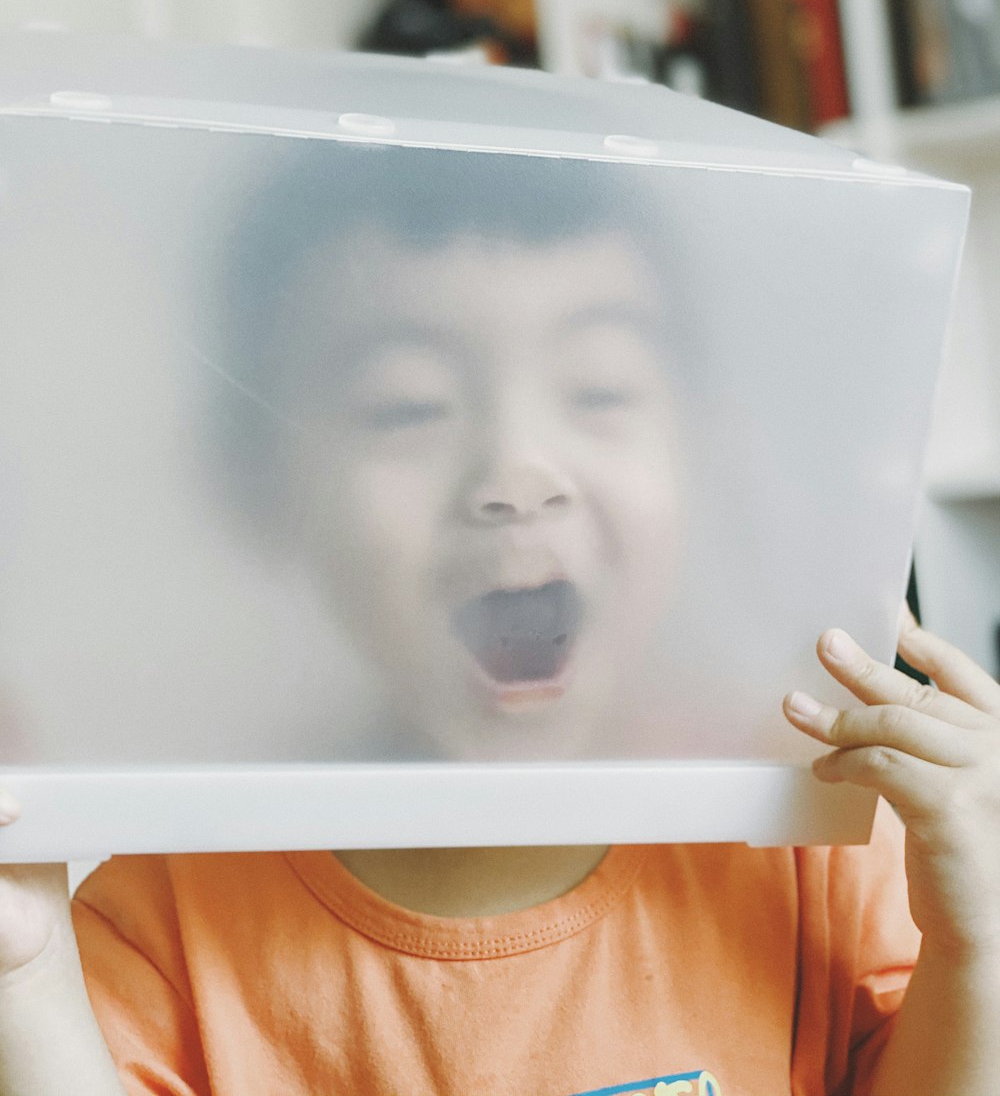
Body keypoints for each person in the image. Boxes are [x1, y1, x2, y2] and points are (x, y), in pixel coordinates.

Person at [1, 142, 999, 1095]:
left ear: (698, 451)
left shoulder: (823, 832)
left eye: (600, 388)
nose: (516, 472)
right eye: (407, 405)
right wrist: (28, 986)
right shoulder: (164, 917)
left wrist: (979, 937)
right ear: (263, 480)